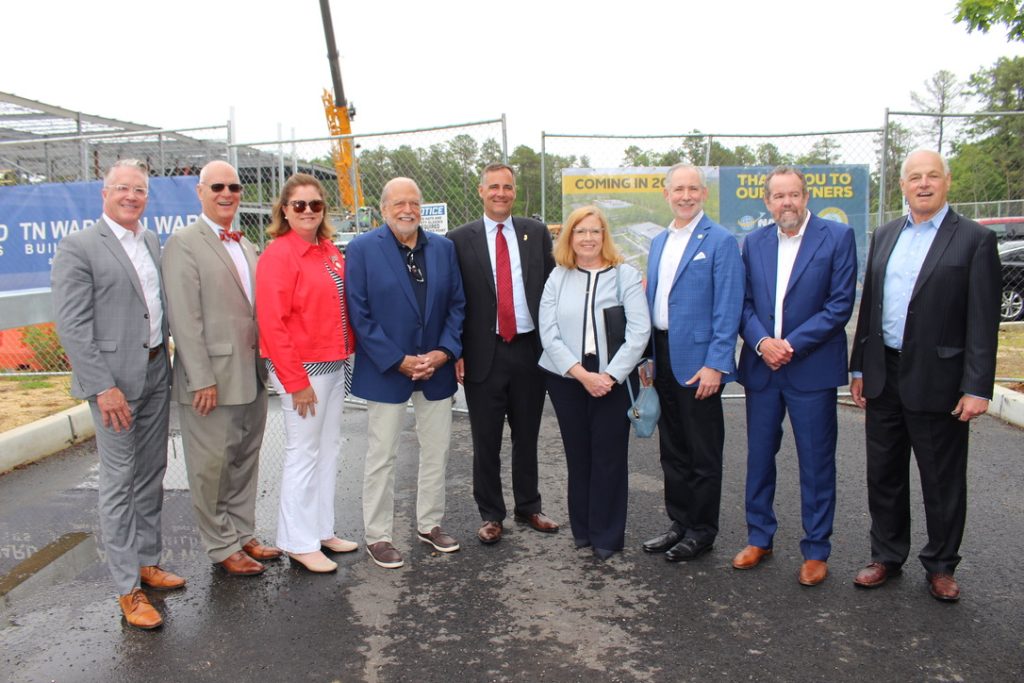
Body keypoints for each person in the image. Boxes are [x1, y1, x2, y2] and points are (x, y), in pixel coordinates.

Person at [849, 149, 1001, 602]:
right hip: (884, 374)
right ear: (902, 186)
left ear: (947, 181)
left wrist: (977, 386)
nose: (923, 184)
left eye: (932, 175)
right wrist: (859, 365)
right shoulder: (886, 234)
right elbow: (871, 304)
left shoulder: (974, 239)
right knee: (884, 474)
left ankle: (941, 565)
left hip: (940, 379)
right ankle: (886, 556)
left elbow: (983, 320)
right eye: (914, 177)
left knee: (941, 479)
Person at [51, 159, 184, 629]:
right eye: (122, 188)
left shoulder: (149, 241)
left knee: (152, 472)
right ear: (104, 194)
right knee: (119, 481)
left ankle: (147, 561)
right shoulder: (79, 246)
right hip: (113, 385)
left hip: (155, 371)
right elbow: (73, 325)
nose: (131, 196)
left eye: (139, 190)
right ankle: (128, 588)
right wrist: (102, 387)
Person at [733, 166, 857, 586]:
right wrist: (762, 342)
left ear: (806, 197)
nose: (787, 202)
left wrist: (789, 345)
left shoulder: (837, 237)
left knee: (816, 462)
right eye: (778, 196)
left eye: (794, 195)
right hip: (763, 369)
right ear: (767, 202)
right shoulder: (754, 243)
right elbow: (743, 303)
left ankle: (816, 549)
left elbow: (839, 305)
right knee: (759, 457)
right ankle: (759, 537)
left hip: (811, 369)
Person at [163, 160, 279, 577]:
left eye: (233, 186)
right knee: (211, 467)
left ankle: (243, 532)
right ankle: (220, 545)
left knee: (244, 459)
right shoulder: (183, 243)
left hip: (251, 373)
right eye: (217, 187)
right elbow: (184, 318)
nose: (227, 194)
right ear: (200, 192)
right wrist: (201, 379)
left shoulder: (245, 244)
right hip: (211, 380)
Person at [345, 177, 466, 569]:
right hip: (387, 370)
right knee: (382, 455)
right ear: (384, 209)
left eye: (413, 202)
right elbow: (359, 312)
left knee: (437, 450)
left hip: (436, 369)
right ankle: (378, 536)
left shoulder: (443, 248)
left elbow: (458, 306)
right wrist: (397, 359)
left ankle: (430, 524)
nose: (407, 210)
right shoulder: (363, 249)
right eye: (399, 203)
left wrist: (444, 353)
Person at [447, 163, 559, 545]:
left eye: (507, 187)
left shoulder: (536, 233)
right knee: (486, 440)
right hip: (484, 353)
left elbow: (551, 289)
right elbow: (453, 300)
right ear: (481, 191)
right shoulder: (458, 239)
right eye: (493, 186)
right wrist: (456, 350)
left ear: (515, 192)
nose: (500, 193)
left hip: (529, 350)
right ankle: (491, 514)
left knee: (527, 436)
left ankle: (528, 506)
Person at [256, 173, 357, 574]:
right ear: (284, 210)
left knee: (328, 448)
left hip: (334, 364)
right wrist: (296, 382)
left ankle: (321, 529)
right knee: (303, 452)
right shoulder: (279, 255)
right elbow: (272, 324)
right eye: (299, 205)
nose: (308, 211)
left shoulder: (328, 250)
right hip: (304, 370)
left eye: (315, 204)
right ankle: (298, 541)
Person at [642, 163, 744, 562]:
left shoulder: (720, 241)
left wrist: (717, 363)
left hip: (700, 362)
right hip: (662, 353)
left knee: (703, 451)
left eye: (693, 189)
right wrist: (648, 357)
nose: (685, 196)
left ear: (704, 193)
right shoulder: (659, 242)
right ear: (666, 194)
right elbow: (653, 300)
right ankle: (679, 522)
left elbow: (728, 307)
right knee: (672, 448)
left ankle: (701, 530)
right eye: (678, 189)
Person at [538, 206, 650, 560]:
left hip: (612, 377)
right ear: (569, 237)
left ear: (604, 236)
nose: (588, 238)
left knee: (609, 456)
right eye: (580, 231)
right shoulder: (558, 277)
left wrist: (610, 376)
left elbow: (639, 331)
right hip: (567, 377)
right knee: (579, 455)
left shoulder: (625, 275)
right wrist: (581, 374)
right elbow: (548, 333)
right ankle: (583, 530)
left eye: (595, 231)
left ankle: (607, 535)